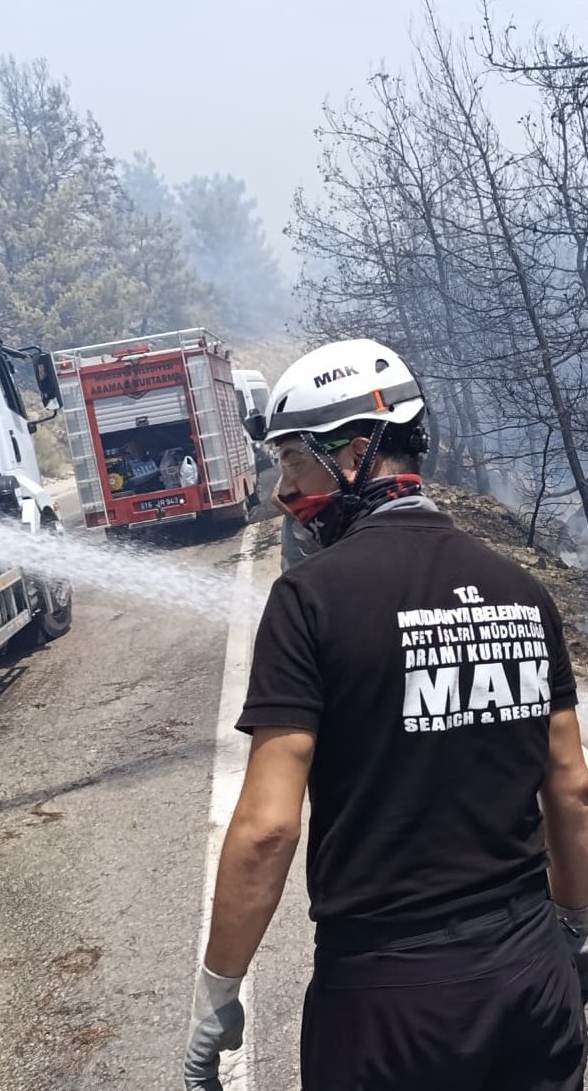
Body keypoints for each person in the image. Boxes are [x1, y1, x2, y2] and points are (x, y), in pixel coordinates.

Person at [185, 337, 588, 1091]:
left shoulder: (308, 602)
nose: (282, 491)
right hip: (530, 974)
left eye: (293, 462)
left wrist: (217, 992)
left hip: (386, 997)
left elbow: (268, 828)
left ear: (354, 452)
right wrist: (575, 928)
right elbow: (571, 788)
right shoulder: (522, 593)